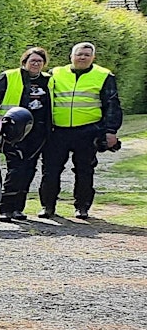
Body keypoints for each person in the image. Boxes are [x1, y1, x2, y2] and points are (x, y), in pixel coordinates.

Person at [38, 42, 123, 219]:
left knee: (84, 170)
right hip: (57, 131)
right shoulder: (56, 73)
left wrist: (111, 130)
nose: (82, 57)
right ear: (71, 56)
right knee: (50, 170)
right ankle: (48, 206)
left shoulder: (104, 75)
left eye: (86, 54)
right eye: (79, 54)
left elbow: (112, 104)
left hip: (88, 131)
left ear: (93, 57)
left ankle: (82, 207)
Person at [0, 47, 51, 222]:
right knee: (15, 168)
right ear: (24, 62)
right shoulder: (9, 77)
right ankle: (6, 208)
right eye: (32, 60)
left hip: (38, 132)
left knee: (29, 169)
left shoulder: (49, 81)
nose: (36, 63)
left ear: (44, 64)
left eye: (39, 61)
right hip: (14, 131)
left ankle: (18, 208)